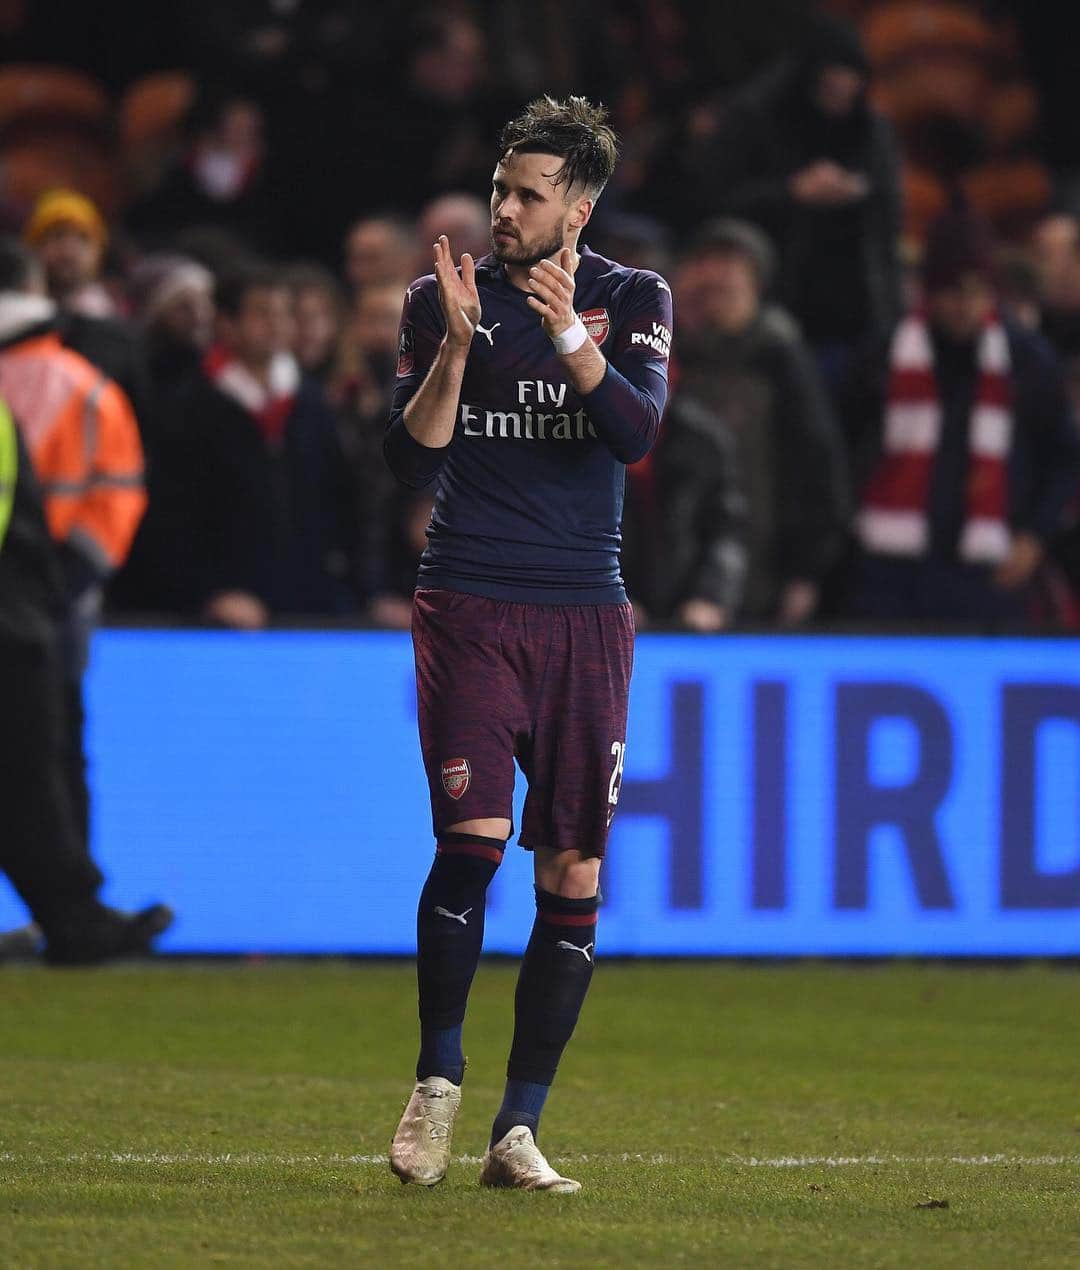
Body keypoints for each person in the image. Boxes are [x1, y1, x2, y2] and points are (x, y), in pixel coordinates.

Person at [383, 96, 672, 1193]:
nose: (501, 210)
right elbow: (409, 465)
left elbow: (635, 433)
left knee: (573, 866)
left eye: (525, 195)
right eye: (499, 189)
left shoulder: (631, 298)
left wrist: (563, 337)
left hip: (585, 612)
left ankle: (519, 1129)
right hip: (468, 598)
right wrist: (453, 354)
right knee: (469, 841)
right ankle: (438, 1083)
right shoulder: (439, 301)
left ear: (577, 210)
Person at [0, 394, 173, 963]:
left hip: (21, 613)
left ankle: (75, 915)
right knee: (28, 779)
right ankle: (75, 917)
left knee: (31, 777)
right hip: (16, 616)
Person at [850, 207, 1080, 626]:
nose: (965, 305)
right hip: (890, 574)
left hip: (991, 576)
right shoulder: (883, 357)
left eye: (977, 291)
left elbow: (1063, 458)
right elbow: (845, 450)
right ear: (929, 292)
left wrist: (1034, 536)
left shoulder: (1027, 361)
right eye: (953, 291)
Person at [625, 217, 848, 629]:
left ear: (756, 285)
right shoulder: (676, 355)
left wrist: (806, 570)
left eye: (729, 278)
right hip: (678, 584)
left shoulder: (780, 357)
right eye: (706, 276)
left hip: (763, 574)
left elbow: (817, 467)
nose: (716, 286)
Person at [140, 264, 362, 626]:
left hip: (310, 611)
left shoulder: (311, 403)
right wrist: (208, 593)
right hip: (222, 616)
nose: (276, 325)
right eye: (261, 313)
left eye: (283, 314)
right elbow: (169, 519)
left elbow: (339, 504)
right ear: (226, 324)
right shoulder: (188, 406)